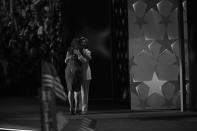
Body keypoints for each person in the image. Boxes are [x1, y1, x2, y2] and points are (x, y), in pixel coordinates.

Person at [65, 38, 83, 115]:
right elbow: (82, 60)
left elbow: (65, 61)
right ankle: (77, 108)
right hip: (77, 70)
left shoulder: (69, 50)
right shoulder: (81, 50)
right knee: (77, 90)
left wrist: (69, 58)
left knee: (70, 89)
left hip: (68, 70)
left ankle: (71, 107)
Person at [78, 37, 92, 114]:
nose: (83, 44)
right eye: (82, 42)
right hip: (78, 74)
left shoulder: (87, 51)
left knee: (85, 92)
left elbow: (86, 60)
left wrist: (81, 54)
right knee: (78, 92)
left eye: (85, 42)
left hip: (86, 73)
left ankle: (84, 109)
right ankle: (79, 108)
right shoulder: (76, 51)